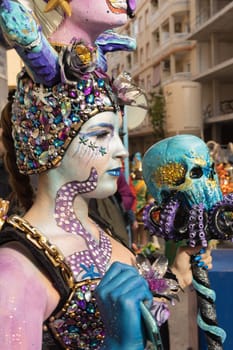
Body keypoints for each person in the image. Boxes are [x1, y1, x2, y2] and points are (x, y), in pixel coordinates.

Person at [0, 1, 212, 349]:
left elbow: (145, 310)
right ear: (50, 142)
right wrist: (117, 342)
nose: (122, 150)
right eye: (101, 134)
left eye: (117, 133)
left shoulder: (99, 229)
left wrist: (178, 273)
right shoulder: (14, 273)